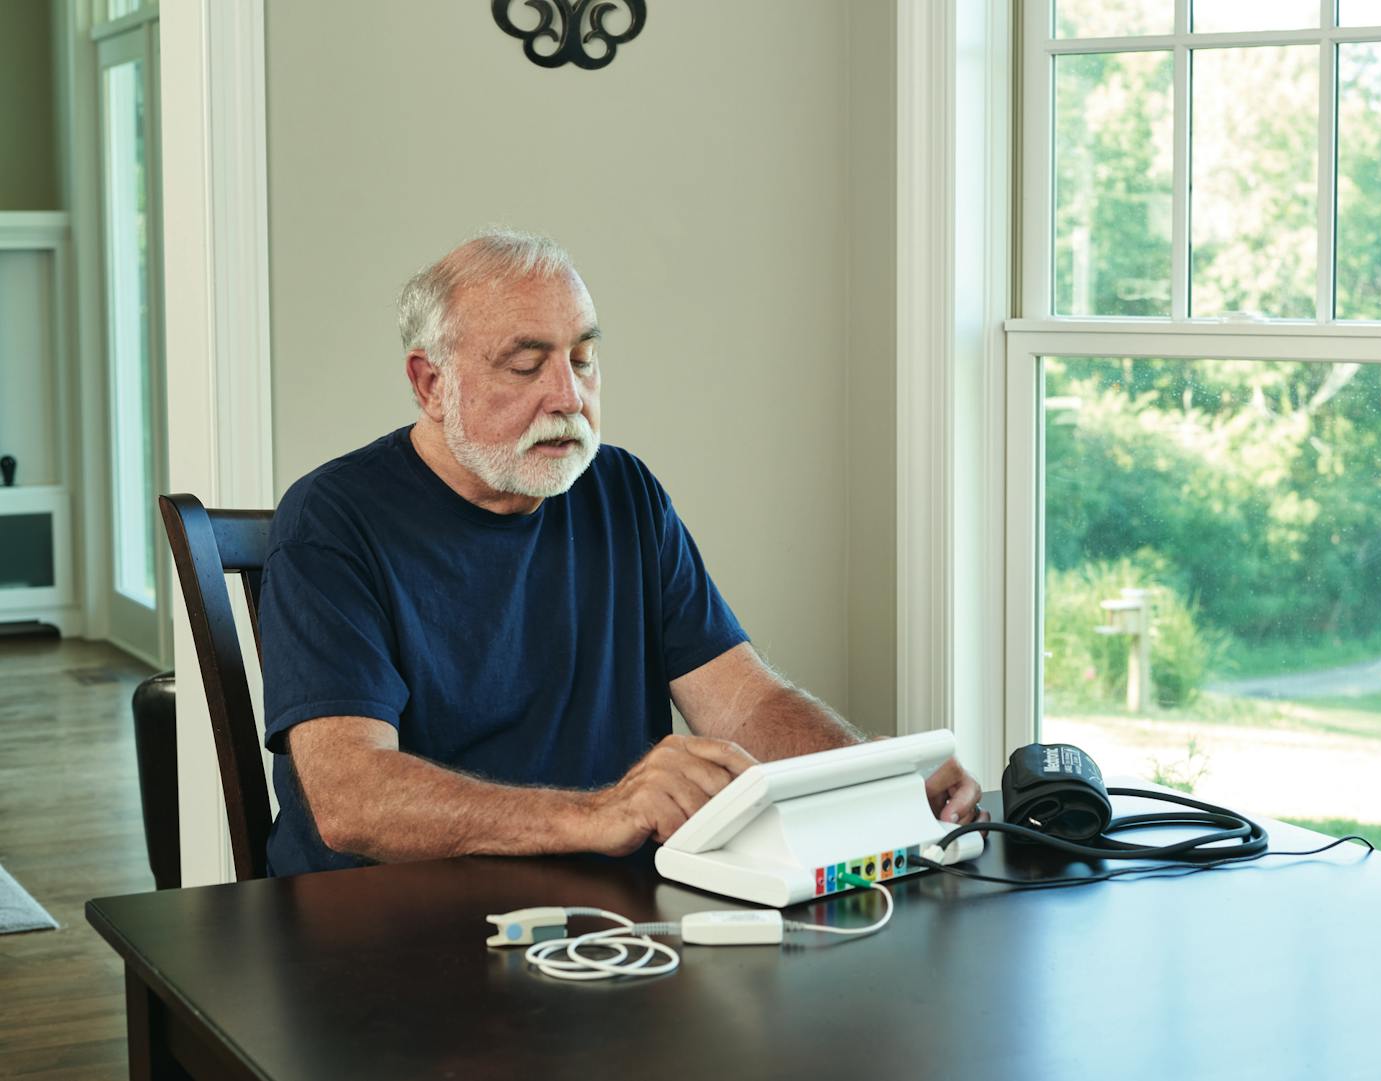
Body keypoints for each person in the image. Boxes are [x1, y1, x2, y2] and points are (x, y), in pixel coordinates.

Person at [258, 229, 986, 876]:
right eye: (526, 364)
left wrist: (869, 778)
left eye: (583, 357)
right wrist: (599, 814)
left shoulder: (622, 490)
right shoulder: (332, 519)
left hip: (605, 922)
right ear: (430, 382)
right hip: (382, 925)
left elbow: (744, 702)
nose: (568, 396)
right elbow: (350, 797)